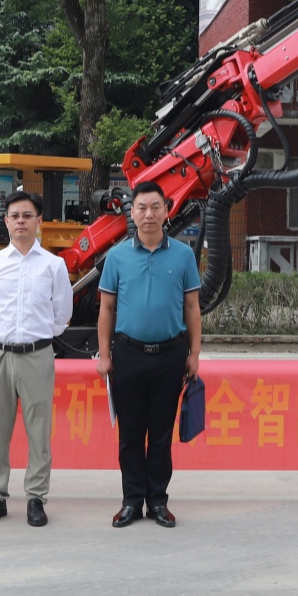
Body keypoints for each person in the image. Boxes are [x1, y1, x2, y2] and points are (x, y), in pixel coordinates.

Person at [97, 180, 201, 529]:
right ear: (133, 212)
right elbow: (107, 308)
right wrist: (104, 355)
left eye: (155, 207)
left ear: (167, 210)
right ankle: (131, 501)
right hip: (128, 354)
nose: (148, 214)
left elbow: (191, 306)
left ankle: (158, 501)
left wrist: (195, 354)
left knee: (160, 434)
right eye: (141, 207)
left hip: (171, 355)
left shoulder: (183, 255)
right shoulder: (117, 255)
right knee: (130, 435)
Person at [0, 190, 73, 527]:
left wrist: (37, 336)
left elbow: (62, 315)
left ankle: (35, 498)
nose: (20, 221)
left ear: (39, 221)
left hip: (37, 355)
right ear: (6, 221)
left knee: (39, 429)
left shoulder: (53, 265)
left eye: (27, 216)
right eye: (14, 215)